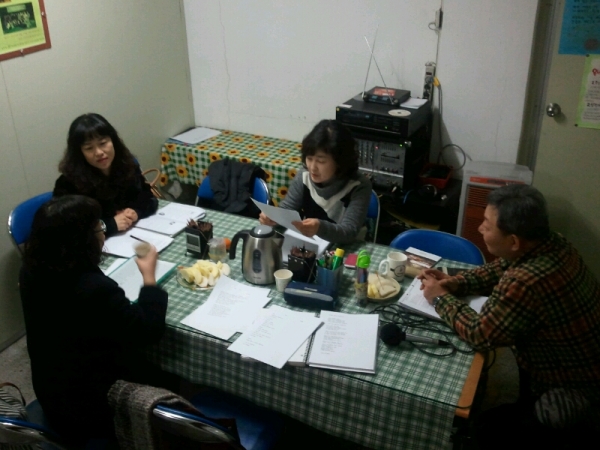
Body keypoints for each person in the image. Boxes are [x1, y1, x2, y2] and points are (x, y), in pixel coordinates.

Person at [418, 184, 600, 447]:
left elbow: (480, 333)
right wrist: (456, 283)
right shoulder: (552, 242)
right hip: (578, 361)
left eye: (487, 224)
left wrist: (439, 298)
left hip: (574, 387)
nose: (480, 228)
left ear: (513, 241)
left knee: (485, 430)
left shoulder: (526, 282)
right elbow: (501, 268)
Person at [20, 195, 171, 444]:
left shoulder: (30, 269)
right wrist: (149, 277)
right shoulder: (93, 288)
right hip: (88, 405)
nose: (102, 232)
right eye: (98, 227)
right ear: (82, 241)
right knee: (164, 371)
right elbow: (148, 331)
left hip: (50, 388)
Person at [259, 120, 372, 243]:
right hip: (312, 244)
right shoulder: (304, 175)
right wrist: (274, 217)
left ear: (340, 161)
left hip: (347, 248)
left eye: (321, 161)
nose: (312, 167)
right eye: (309, 158)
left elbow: (348, 232)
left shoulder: (359, 185)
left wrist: (320, 227)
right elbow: (288, 208)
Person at [53, 113, 158, 237]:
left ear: (113, 141)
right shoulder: (68, 183)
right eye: (89, 148)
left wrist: (136, 211)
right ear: (79, 153)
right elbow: (67, 229)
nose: (99, 152)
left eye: (103, 143)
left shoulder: (127, 165)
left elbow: (149, 198)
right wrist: (109, 225)